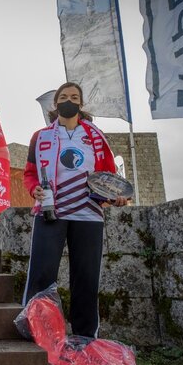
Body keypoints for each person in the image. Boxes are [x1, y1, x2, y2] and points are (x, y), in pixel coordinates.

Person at [21, 82, 128, 338]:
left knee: (86, 278)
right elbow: (30, 173)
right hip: (50, 211)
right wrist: (34, 188)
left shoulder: (95, 135)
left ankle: (84, 336)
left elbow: (109, 176)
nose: (69, 100)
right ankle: (35, 331)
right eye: (64, 96)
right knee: (41, 275)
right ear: (55, 103)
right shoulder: (41, 136)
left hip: (88, 214)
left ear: (81, 104)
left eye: (75, 97)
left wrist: (116, 197)